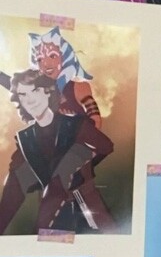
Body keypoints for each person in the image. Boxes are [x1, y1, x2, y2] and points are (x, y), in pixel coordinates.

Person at [0, 70, 115, 235]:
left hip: (89, 213)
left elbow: (106, 145)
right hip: (55, 220)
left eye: (35, 90)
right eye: (22, 95)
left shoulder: (73, 124)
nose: (30, 100)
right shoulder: (26, 138)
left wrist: (80, 160)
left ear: (48, 92)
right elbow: (15, 186)